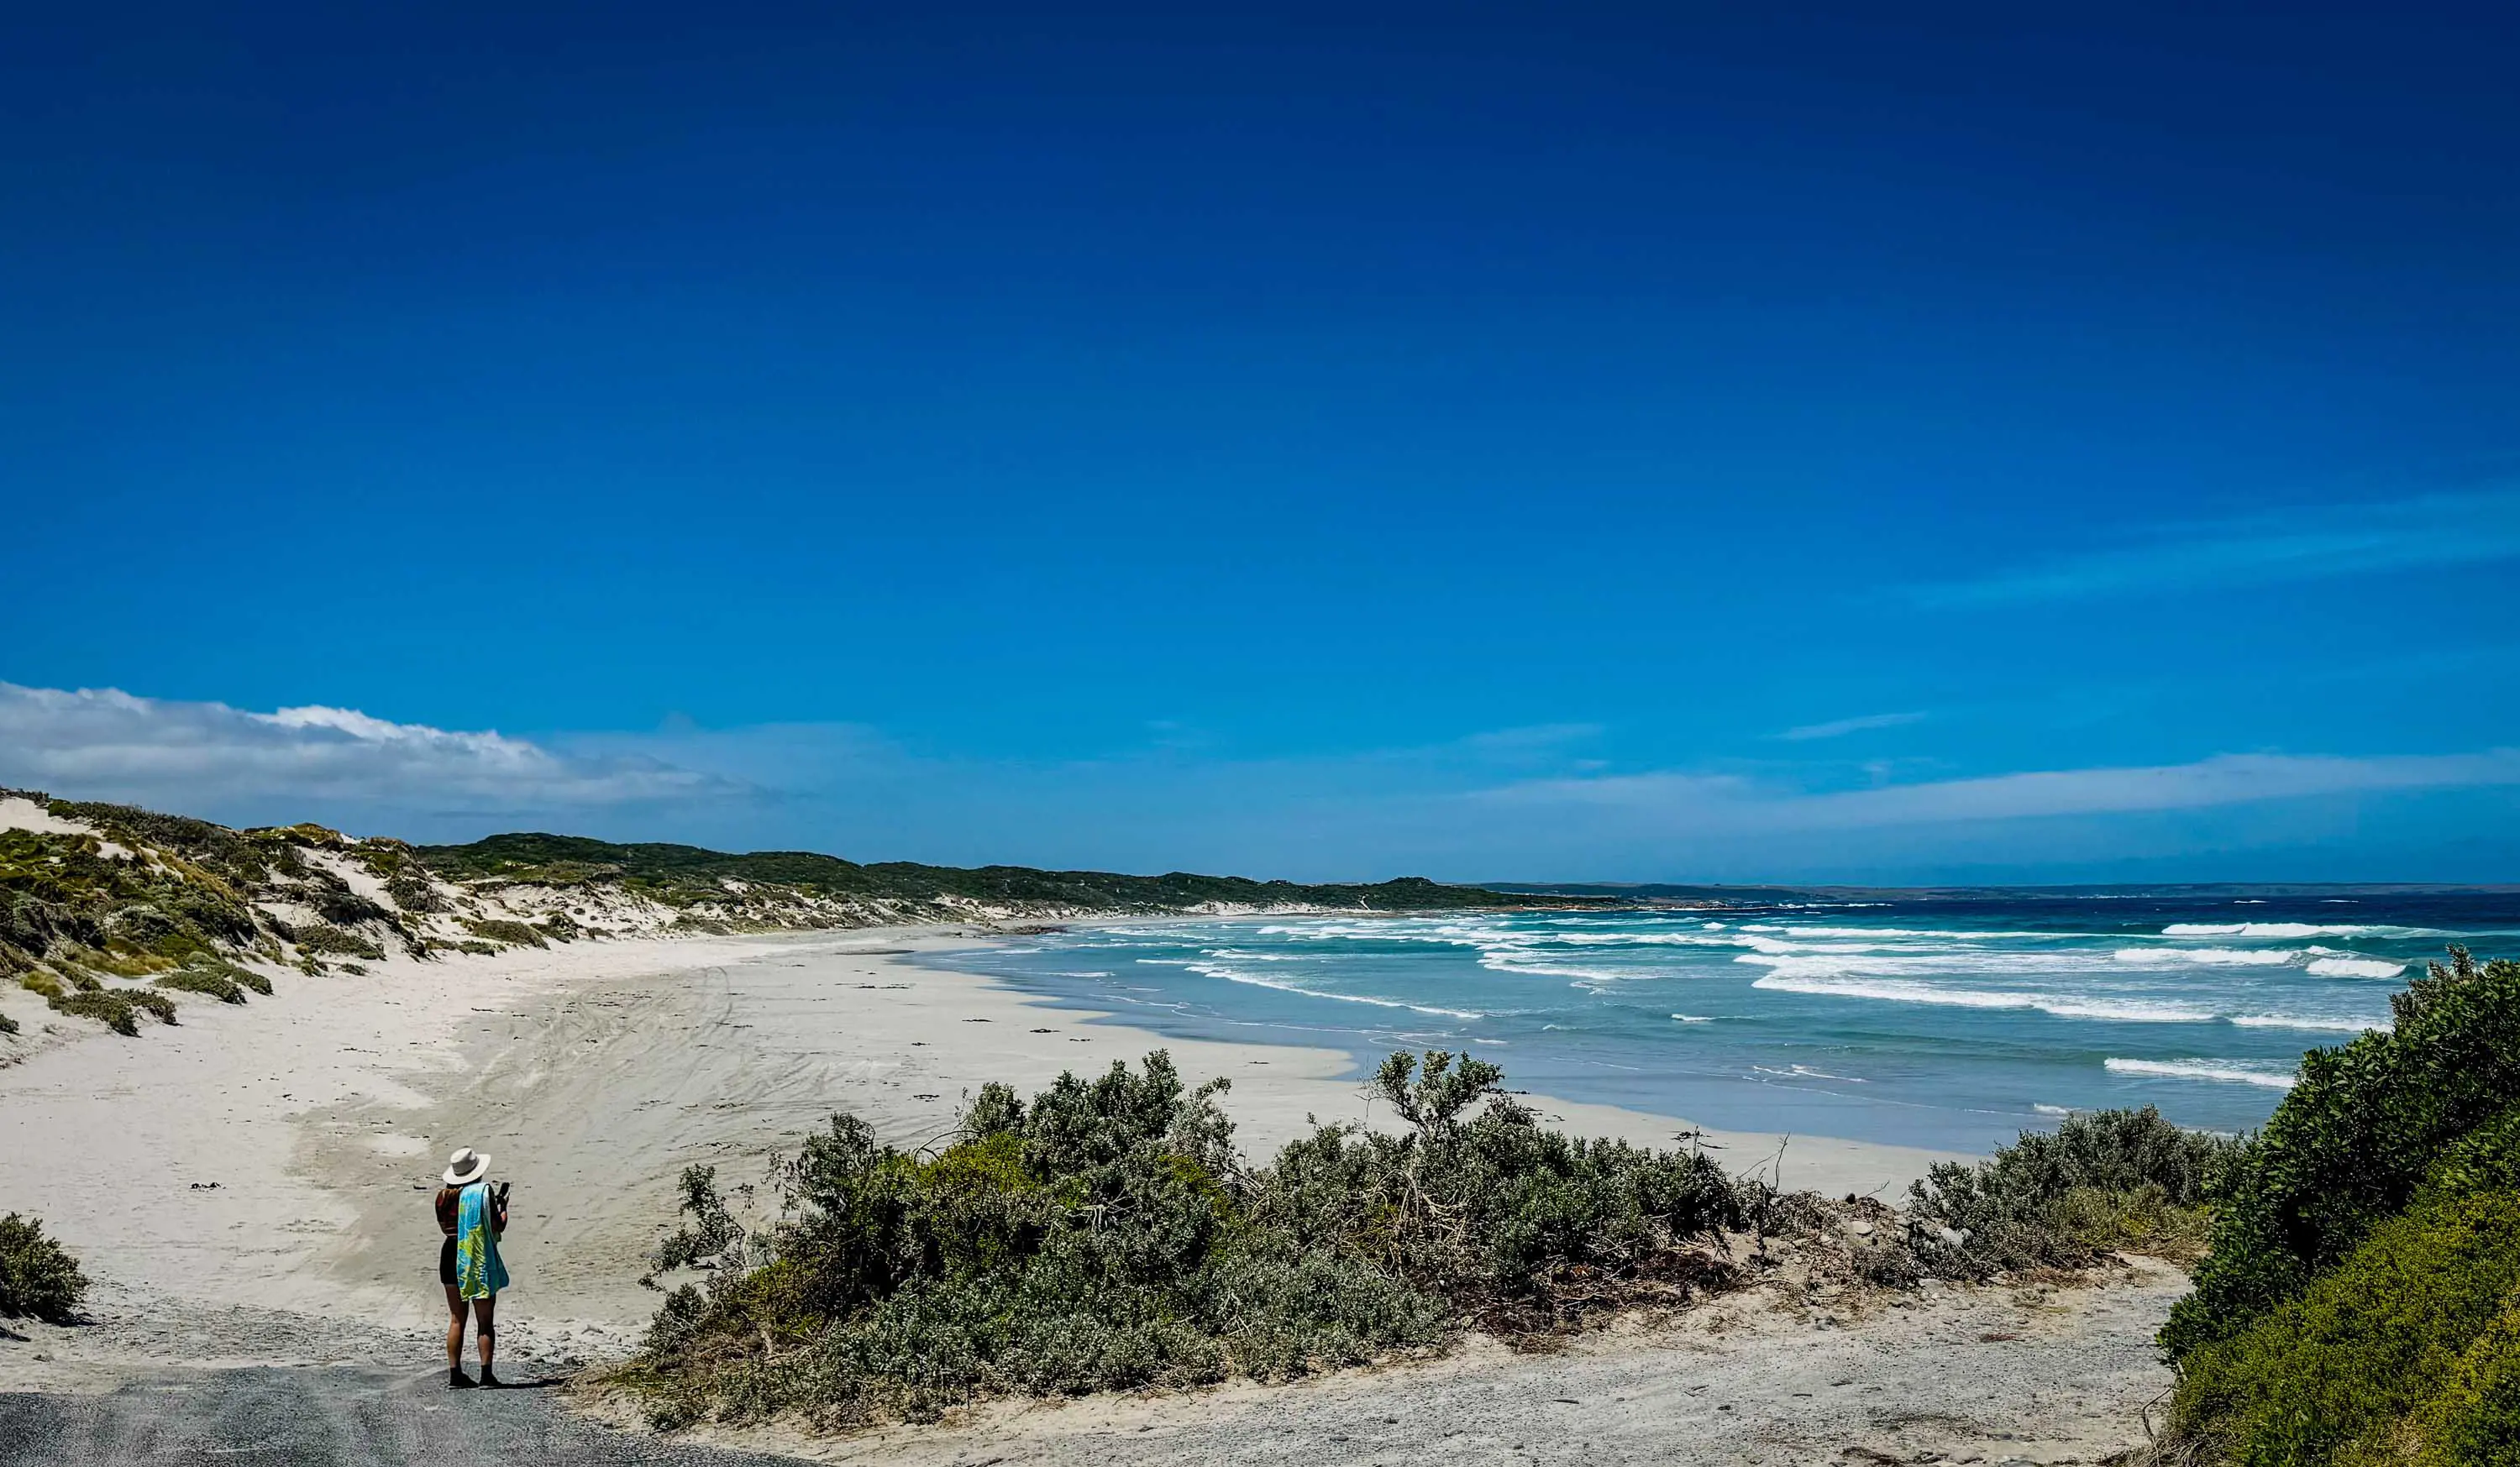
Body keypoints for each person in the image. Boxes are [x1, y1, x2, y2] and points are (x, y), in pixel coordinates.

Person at [434, 1146, 510, 1389]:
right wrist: (503, 1209)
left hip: (449, 1253)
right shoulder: (481, 1193)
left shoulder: (442, 1197)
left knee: (457, 1318)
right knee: (485, 1320)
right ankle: (486, 1375)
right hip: (474, 1255)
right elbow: (498, 1226)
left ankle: (455, 1374)